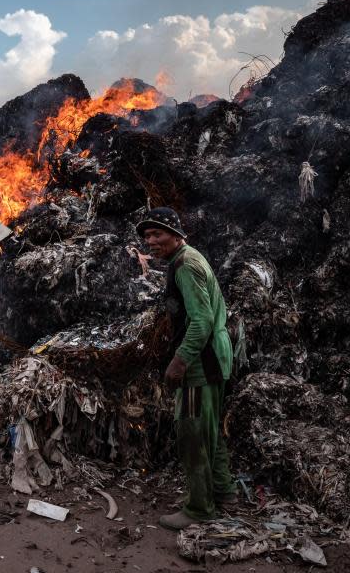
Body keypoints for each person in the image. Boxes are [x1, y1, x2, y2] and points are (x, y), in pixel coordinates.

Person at [136, 207, 236, 530]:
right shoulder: (188, 258)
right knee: (211, 430)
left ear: (177, 235)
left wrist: (179, 362)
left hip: (200, 363)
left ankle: (199, 508)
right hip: (216, 357)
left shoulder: (184, 266)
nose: (151, 241)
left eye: (158, 234)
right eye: (148, 236)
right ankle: (224, 492)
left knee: (192, 434)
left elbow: (202, 320)